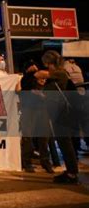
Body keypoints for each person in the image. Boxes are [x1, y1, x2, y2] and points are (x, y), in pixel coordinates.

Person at [40, 50, 79, 184]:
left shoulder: (59, 73)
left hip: (62, 112)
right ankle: (70, 171)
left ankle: (72, 174)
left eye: (46, 63)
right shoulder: (57, 75)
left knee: (65, 142)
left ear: (49, 62)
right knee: (63, 142)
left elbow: (41, 74)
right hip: (57, 111)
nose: (45, 66)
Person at [19, 60, 53, 173]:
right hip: (29, 111)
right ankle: (26, 162)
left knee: (44, 139)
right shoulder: (26, 82)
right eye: (40, 77)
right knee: (28, 137)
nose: (43, 79)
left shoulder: (46, 87)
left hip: (43, 112)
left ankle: (45, 162)